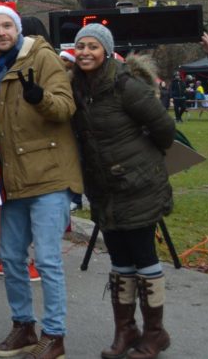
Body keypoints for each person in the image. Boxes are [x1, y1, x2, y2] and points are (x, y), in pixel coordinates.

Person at [0, 3, 82, 359]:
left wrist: (41, 99)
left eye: (7, 25)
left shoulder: (42, 58)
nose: (2, 32)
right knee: (9, 255)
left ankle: (54, 335)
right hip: (14, 179)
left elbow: (65, 107)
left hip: (50, 176)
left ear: (17, 28)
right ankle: (23, 327)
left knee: (49, 259)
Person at [69, 24, 175, 359]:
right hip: (105, 188)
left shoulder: (124, 86)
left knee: (143, 257)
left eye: (93, 47)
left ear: (105, 50)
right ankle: (126, 329)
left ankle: (156, 333)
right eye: (80, 46)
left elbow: (164, 129)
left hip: (139, 185)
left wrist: (143, 162)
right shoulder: (76, 87)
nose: (85, 52)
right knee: (119, 261)